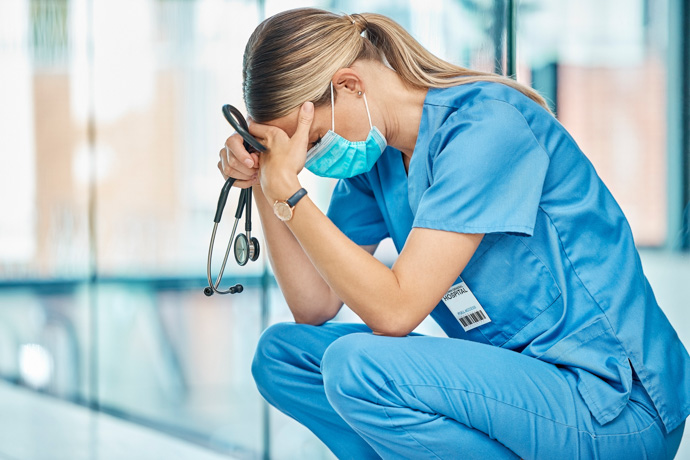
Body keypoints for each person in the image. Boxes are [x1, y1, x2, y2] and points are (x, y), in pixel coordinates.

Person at [217, 8, 689, 459]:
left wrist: (291, 197)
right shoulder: (379, 164)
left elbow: (395, 311)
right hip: (519, 393)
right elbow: (313, 304)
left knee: (357, 367)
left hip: (609, 406)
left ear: (349, 85)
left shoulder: (485, 127)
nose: (310, 160)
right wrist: (262, 177)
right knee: (284, 358)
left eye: (312, 140)